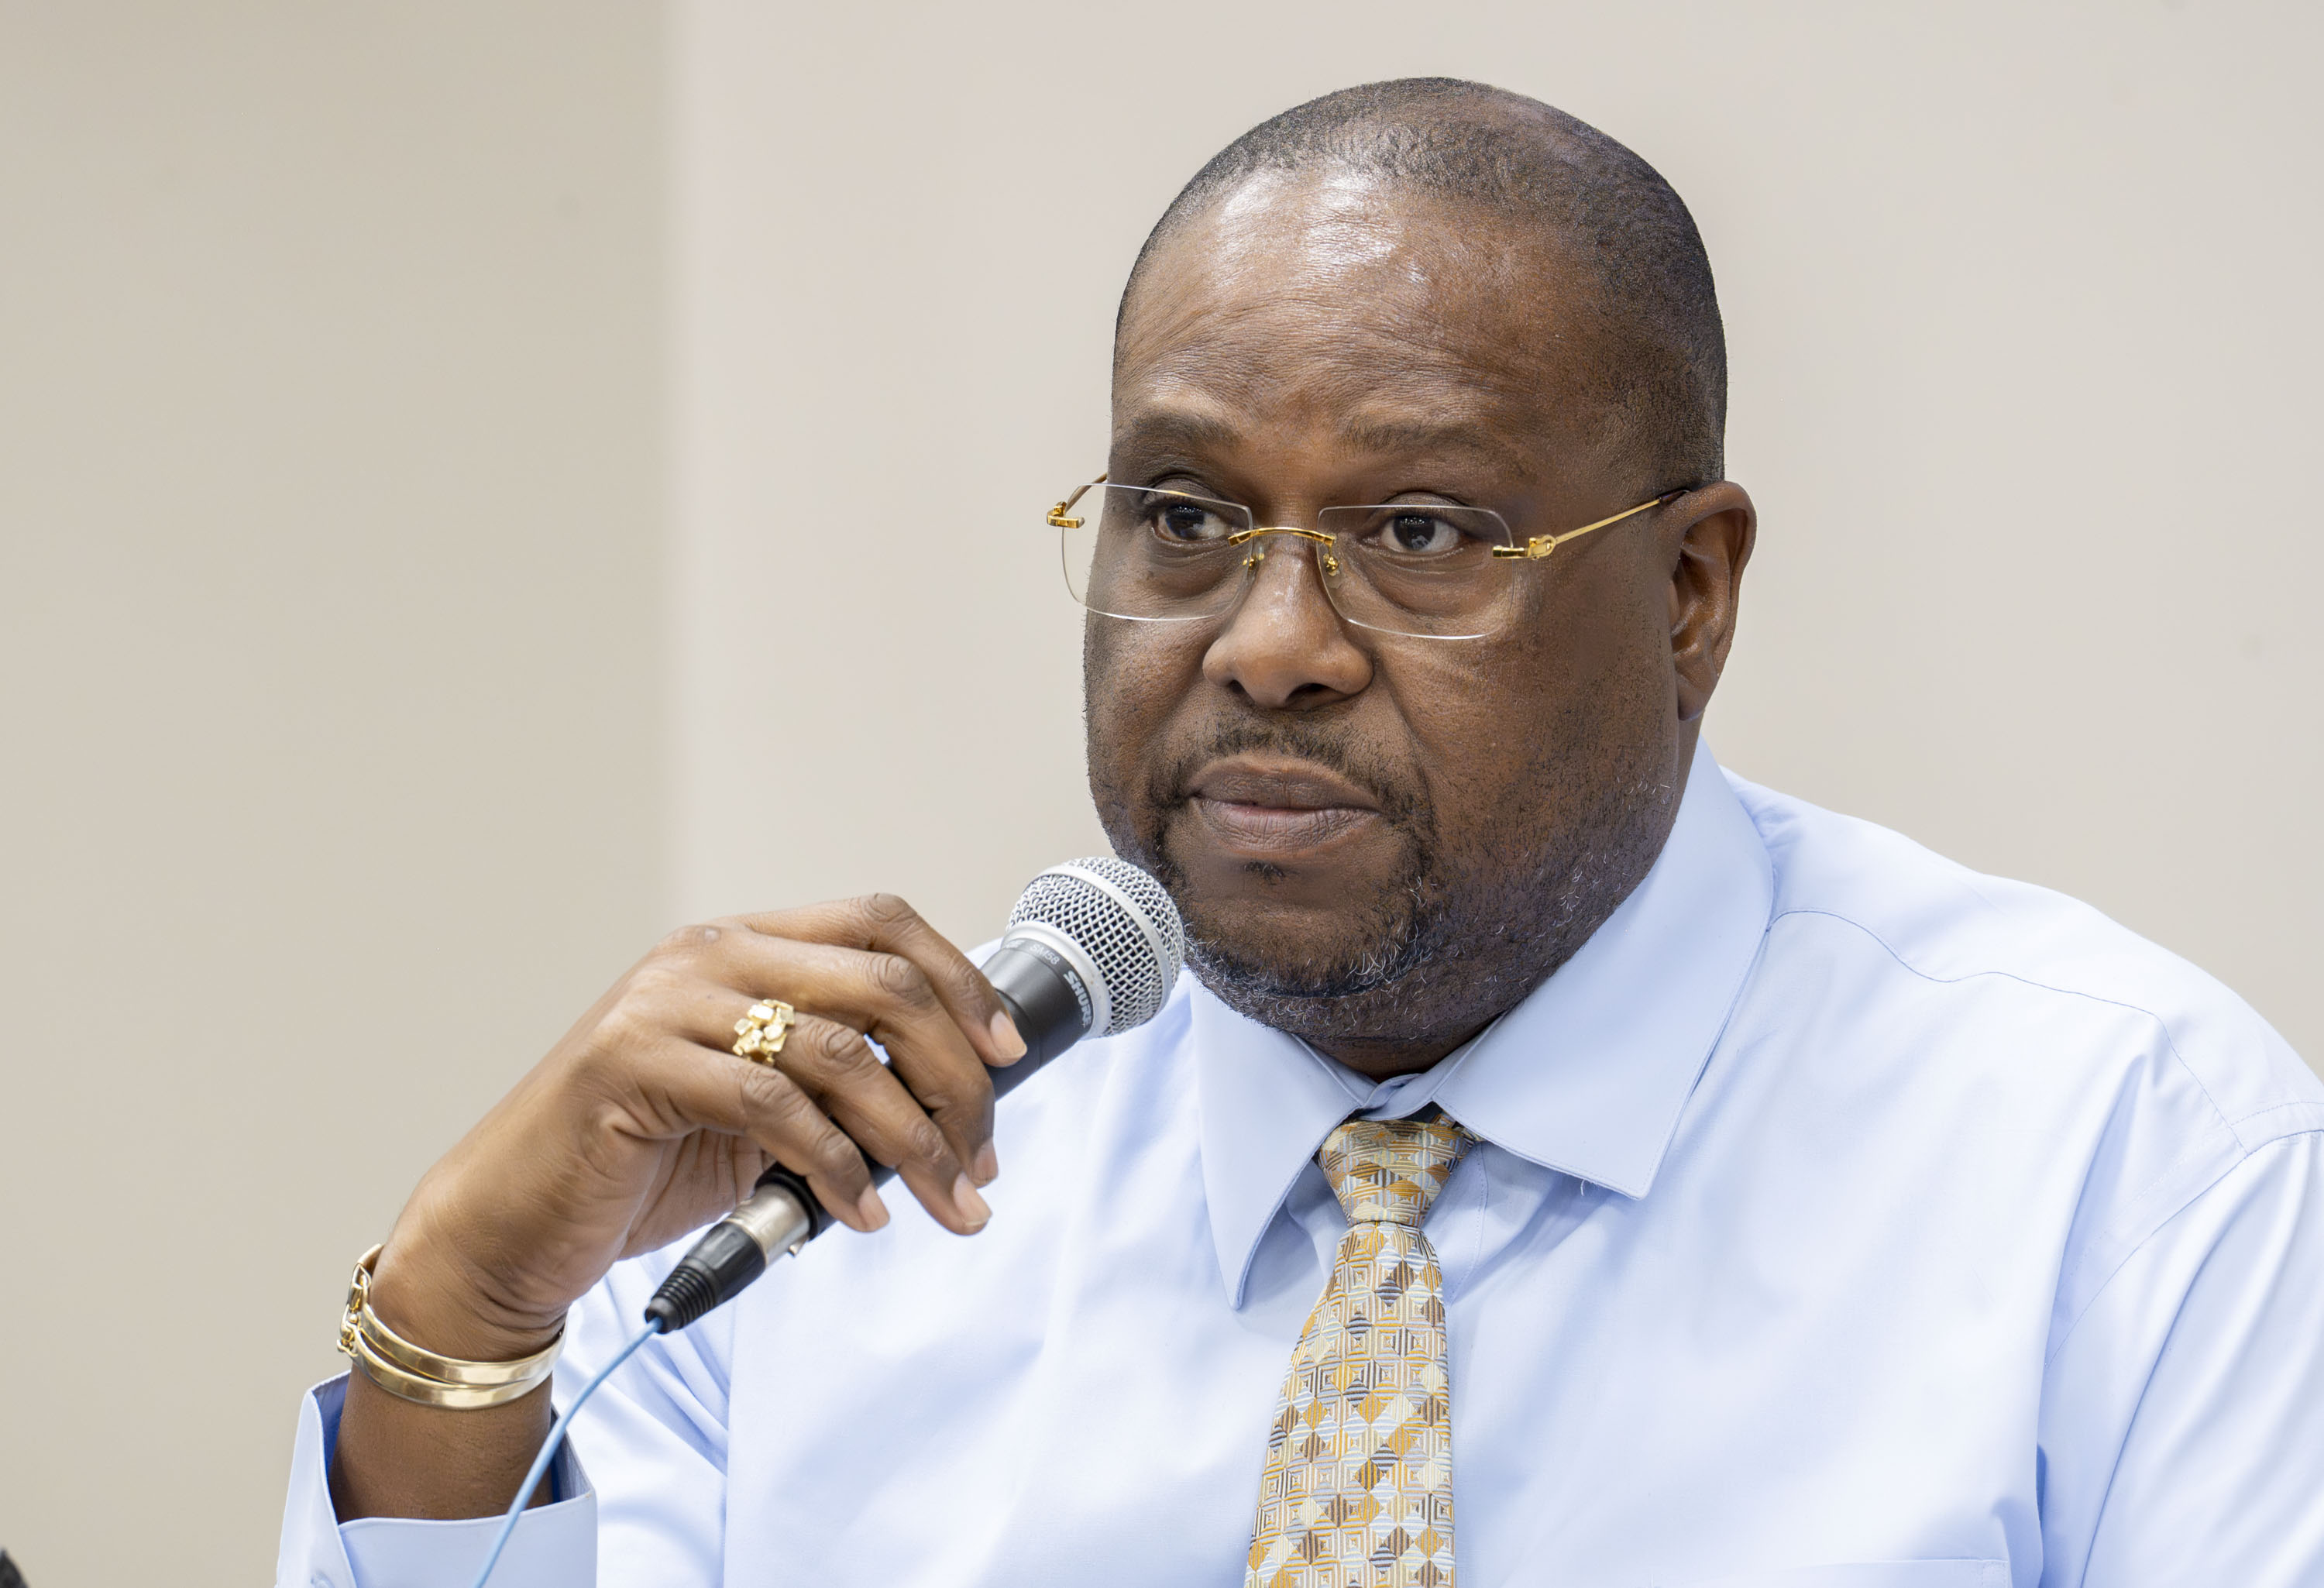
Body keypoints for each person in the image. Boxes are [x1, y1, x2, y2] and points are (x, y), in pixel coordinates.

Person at [277, 79, 2324, 1588]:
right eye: (1182, 517)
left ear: (1690, 594)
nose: (1269, 646)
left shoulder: (2124, 1158)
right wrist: (468, 1304)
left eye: (1420, 532)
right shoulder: (836, 1179)